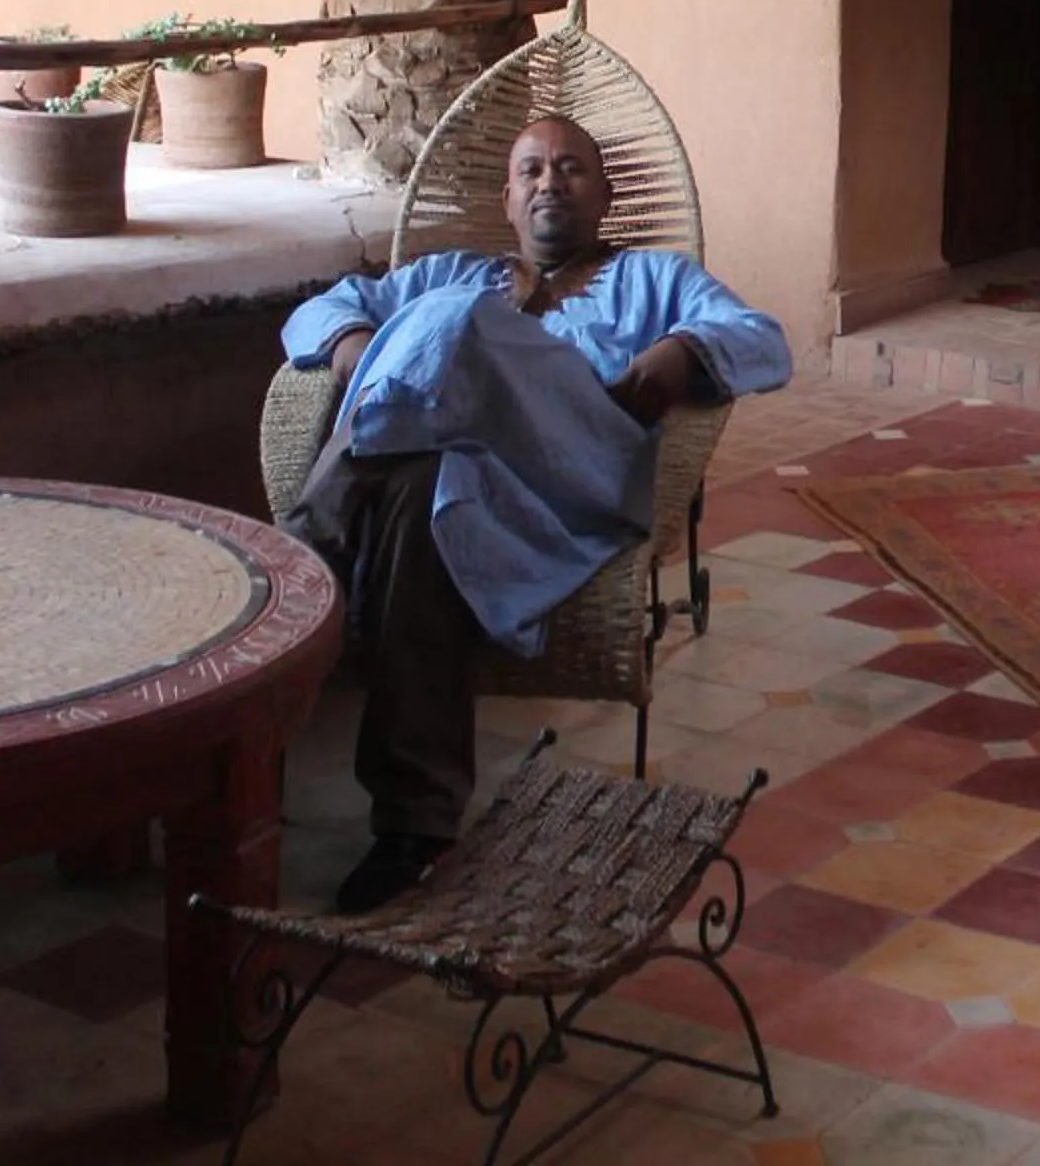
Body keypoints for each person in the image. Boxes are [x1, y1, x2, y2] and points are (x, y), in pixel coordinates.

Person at [277, 114, 792, 912]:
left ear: (606, 195)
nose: (550, 182)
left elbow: (764, 339)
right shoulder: (456, 270)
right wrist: (356, 353)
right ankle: (414, 826)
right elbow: (323, 310)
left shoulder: (653, 280)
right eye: (531, 172)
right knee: (422, 492)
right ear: (507, 200)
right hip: (459, 493)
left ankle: (306, 550)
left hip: (565, 491)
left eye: (571, 169)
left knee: (454, 321)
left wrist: (683, 351)